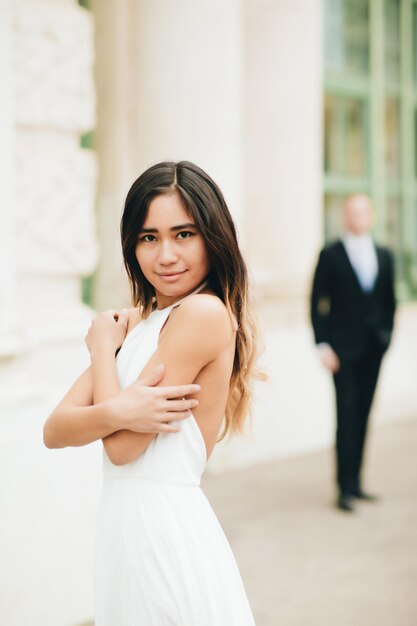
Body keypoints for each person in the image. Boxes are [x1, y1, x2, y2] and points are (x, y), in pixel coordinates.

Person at [44, 160, 261, 625]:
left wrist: (103, 349)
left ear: (213, 237)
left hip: (163, 531)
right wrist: (119, 402)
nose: (165, 254)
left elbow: (122, 448)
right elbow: (56, 429)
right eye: (149, 237)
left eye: (184, 234)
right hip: (125, 529)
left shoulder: (203, 314)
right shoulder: (144, 321)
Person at [310, 194, 396, 513]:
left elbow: (389, 302)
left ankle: (358, 482)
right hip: (342, 352)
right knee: (345, 417)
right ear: (345, 217)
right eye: (351, 212)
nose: (357, 217)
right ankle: (344, 488)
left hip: (374, 350)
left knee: (363, 415)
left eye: (362, 212)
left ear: (370, 217)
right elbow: (316, 302)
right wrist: (323, 345)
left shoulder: (384, 255)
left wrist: (387, 340)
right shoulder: (330, 254)